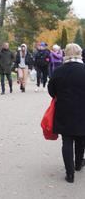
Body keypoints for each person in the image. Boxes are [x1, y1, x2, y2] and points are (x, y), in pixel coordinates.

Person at [48, 43, 85, 183]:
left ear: (65, 54)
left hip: (64, 109)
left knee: (67, 140)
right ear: (80, 54)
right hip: (83, 109)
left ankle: (70, 174)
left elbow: (51, 90)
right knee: (82, 137)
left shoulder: (59, 71)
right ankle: (78, 164)